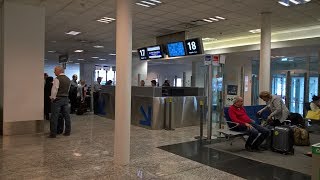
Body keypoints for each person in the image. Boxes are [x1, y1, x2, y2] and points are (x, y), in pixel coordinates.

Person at [49, 66, 71, 138]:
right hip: (65, 99)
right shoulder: (68, 79)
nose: (54, 72)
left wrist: (52, 98)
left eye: (55, 70)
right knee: (66, 116)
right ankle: (67, 131)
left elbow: (54, 90)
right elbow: (68, 90)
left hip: (58, 99)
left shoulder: (57, 79)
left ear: (59, 71)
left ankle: (53, 133)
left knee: (54, 116)